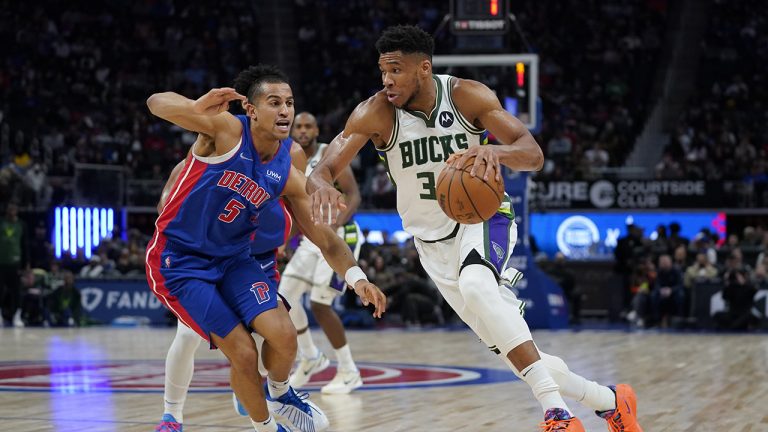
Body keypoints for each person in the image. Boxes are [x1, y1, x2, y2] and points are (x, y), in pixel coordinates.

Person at [306, 25, 642, 431]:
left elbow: (532, 154)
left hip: (483, 218)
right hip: (430, 245)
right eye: (382, 71)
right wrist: (322, 184)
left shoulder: (467, 95)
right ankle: (610, 401)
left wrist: (494, 150)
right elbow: (323, 170)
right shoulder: (374, 112)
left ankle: (557, 414)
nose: (387, 80)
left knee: (479, 287)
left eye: (395, 70)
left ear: (424, 69)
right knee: (513, 351)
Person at [145, 64, 386, 432]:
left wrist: (357, 278)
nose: (286, 110)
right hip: (181, 261)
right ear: (252, 110)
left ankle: (280, 391)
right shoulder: (226, 131)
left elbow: (324, 236)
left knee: (285, 335)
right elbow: (156, 102)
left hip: (236, 259)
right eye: (274, 102)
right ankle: (258, 426)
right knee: (240, 351)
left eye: (289, 102)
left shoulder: (288, 168)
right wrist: (196, 106)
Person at [154, 134, 307, 432]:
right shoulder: (214, 154)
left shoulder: (290, 156)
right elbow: (168, 204)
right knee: (187, 337)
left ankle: (248, 392)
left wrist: (288, 237)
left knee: (268, 342)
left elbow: (301, 207)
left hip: (256, 260)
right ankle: (172, 415)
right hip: (208, 257)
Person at [278, 112, 365, 394]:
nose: (302, 131)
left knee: (319, 304)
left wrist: (336, 224)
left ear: (316, 130)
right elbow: (295, 207)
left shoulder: (329, 153)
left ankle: (349, 371)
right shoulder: (290, 158)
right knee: (284, 298)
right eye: (298, 126)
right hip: (309, 239)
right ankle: (311, 357)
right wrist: (283, 240)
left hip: (340, 236)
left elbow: (353, 194)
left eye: (308, 126)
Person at [0, 202, 26, 328]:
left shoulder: (21, 225)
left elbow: (25, 245)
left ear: (17, 211)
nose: (11, 212)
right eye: (9, 209)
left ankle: (17, 316)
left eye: (14, 209)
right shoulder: (1, 223)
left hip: (15, 263)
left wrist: (26, 264)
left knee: (16, 291)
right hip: (1, 262)